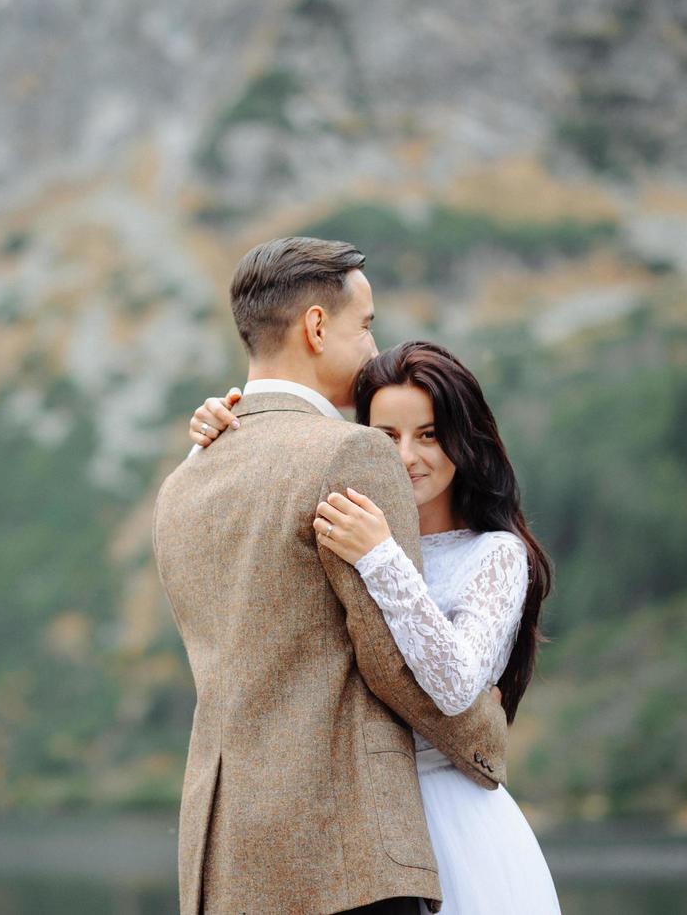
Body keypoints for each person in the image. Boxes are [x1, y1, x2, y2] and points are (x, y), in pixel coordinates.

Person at [152, 237, 508, 915]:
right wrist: (483, 740)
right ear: (316, 326)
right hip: (346, 849)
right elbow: (391, 660)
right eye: (365, 325)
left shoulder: (184, 478)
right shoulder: (351, 453)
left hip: (222, 852)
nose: (373, 346)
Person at [189, 340, 561, 914]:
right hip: (351, 824)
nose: (407, 455)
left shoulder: (495, 555)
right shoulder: (343, 519)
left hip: (451, 822)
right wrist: (223, 434)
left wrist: (382, 557)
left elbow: (458, 684)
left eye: (430, 434)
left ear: (465, 440)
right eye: (386, 436)